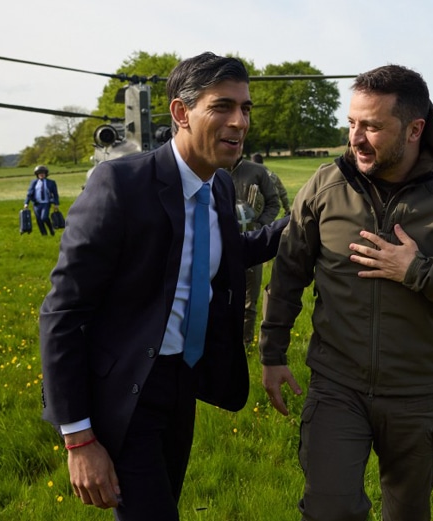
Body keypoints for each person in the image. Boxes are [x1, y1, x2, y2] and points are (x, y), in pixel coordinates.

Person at [259, 64, 433, 521]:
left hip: (415, 394)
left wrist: (415, 270)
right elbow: (288, 271)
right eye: (352, 123)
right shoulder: (324, 186)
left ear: (415, 128)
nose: (356, 138)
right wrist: (272, 353)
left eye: (373, 126)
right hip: (336, 386)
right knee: (329, 510)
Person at [38, 52, 288, 520]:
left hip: (183, 385)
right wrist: (79, 438)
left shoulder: (218, 187)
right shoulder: (120, 184)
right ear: (180, 113)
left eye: (246, 108)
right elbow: (63, 313)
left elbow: (230, 252)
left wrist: (307, 217)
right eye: (222, 107)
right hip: (128, 391)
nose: (240, 121)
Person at [224, 155, 280, 346]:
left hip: (252, 242)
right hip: (222, 243)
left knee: (249, 297)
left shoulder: (257, 171)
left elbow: (273, 202)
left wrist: (261, 225)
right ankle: (223, 341)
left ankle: (245, 343)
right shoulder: (214, 169)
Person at [24, 165, 60, 236]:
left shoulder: (51, 182)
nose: (41, 174)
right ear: (37, 174)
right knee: (39, 220)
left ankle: (51, 229)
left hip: (46, 203)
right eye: (39, 173)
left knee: (44, 217)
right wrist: (26, 203)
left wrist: (56, 204)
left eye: (43, 173)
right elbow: (29, 193)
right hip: (37, 204)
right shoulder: (34, 182)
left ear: (46, 174)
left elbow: (55, 194)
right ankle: (44, 234)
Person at [253, 153, 291, 217]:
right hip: (270, 210)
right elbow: (283, 193)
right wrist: (287, 209)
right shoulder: (272, 175)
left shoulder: (251, 176)